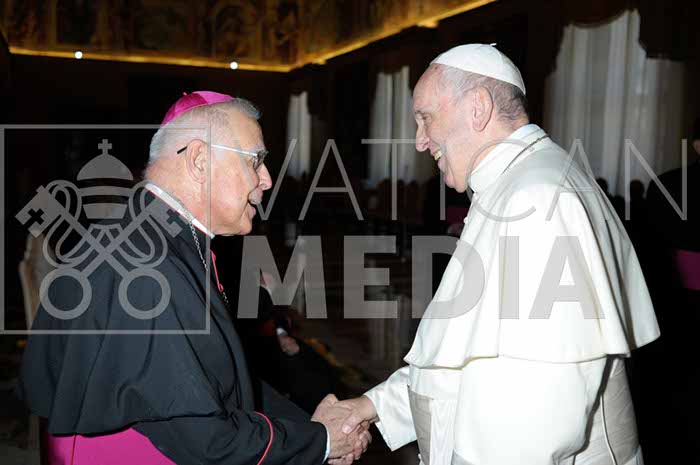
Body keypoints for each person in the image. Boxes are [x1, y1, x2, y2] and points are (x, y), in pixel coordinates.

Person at [335, 45, 660, 465]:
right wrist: (371, 406)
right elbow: (467, 365)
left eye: (425, 118)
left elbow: (537, 420)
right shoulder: (521, 181)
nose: (419, 141)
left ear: (478, 108)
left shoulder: (537, 200)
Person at [18, 91, 369, 464]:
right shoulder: (144, 271)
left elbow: (216, 380)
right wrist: (322, 442)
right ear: (200, 160)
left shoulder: (157, 233)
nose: (266, 179)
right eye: (256, 160)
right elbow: (208, 441)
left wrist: (310, 428)